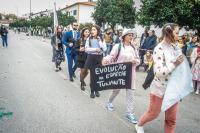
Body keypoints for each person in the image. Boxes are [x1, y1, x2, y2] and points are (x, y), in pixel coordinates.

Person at [135, 23, 184, 133]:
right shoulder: (159, 48)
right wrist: (175, 64)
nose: (178, 36)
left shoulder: (175, 46)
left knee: (171, 120)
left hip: (173, 89)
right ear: (169, 33)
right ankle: (139, 124)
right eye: (176, 33)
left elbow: (180, 64)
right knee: (153, 114)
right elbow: (159, 72)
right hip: (159, 88)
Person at [102, 29, 140, 124]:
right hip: (119, 72)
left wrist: (136, 61)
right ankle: (109, 102)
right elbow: (111, 57)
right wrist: (104, 59)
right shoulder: (117, 46)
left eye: (132, 35)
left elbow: (138, 59)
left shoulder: (134, 47)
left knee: (130, 93)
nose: (131, 37)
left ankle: (129, 113)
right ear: (124, 36)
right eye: (129, 35)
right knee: (116, 90)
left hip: (130, 73)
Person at [85, 25, 107, 98]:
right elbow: (86, 49)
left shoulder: (101, 39)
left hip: (99, 58)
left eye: (94, 30)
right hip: (91, 57)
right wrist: (95, 49)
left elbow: (104, 49)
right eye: (92, 30)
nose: (92, 31)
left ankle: (96, 89)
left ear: (97, 31)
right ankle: (92, 91)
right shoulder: (89, 38)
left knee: (98, 74)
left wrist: (99, 40)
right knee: (92, 75)